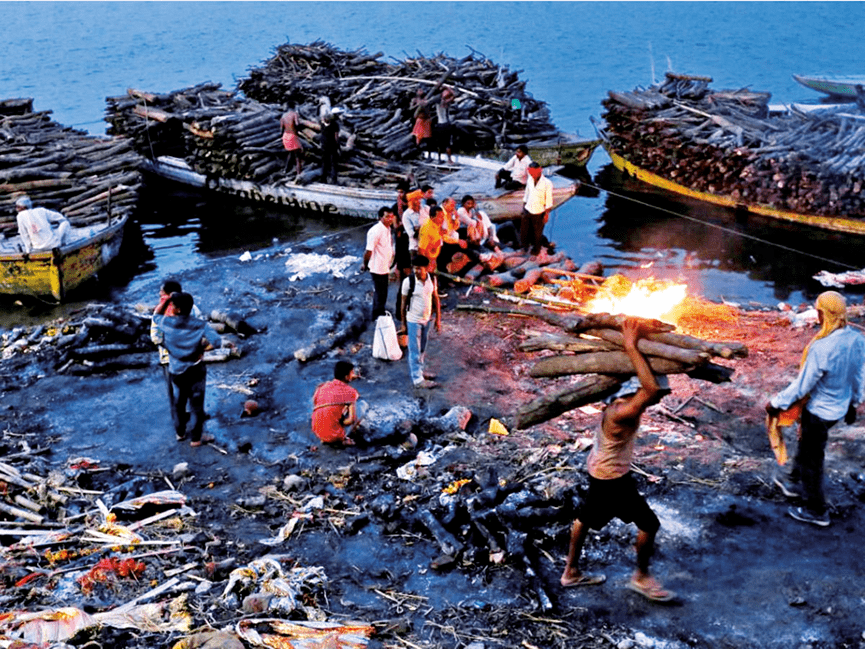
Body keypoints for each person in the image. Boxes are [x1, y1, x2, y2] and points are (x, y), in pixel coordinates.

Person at [560, 317, 675, 603]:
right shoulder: (622, 412)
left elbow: (646, 387)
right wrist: (630, 345)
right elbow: (649, 390)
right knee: (649, 524)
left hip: (599, 470)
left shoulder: (616, 404)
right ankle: (641, 577)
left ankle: (571, 571)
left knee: (585, 517)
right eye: (657, 396)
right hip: (612, 477)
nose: (657, 399)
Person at [767, 291, 865, 527]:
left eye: (818, 311)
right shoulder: (857, 339)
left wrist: (777, 403)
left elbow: (803, 385)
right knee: (807, 444)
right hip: (839, 408)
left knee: (813, 460)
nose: (817, 316)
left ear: (824, 314)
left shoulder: (821, 348)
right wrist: (854, 402)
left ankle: (816, 510)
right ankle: (792, 480)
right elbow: (859, 375)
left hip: (819, 412)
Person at [152, 292, 226, 447]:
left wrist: (167, 301)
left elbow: (156, 314)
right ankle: (196, 439)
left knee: (179, 403)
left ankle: (180, 434)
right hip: (195, 368)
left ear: (176, 309)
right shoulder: (199, 324)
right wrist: (203, 350)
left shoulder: (166, 322)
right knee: (196, 405)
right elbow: (217, 341)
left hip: (176, 370)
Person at [150, 279, 203, 437]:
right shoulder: (192, 308)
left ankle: (180, 431)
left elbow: (155, 337)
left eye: (162, 295)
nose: (160, 297)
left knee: (176, 396)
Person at [400, 254, 441, 389]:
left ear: (427, 268)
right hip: (413, 321)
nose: (416, 271)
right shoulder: (408, 282)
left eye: (419, 269)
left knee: (422, 347)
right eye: (415, 268)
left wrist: (438, 319)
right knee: (414, 350)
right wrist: (403, 323)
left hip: (426, 319)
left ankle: (421, 371)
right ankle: (418, 379)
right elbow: (403, 303)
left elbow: (436, 299)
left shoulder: (432, 280)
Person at [312, 360, 366, 446]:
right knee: (362, 404)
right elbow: (351, 420)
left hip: (318, 432)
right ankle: (343, 438)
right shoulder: (350, 392)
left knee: (335, 408)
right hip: (335, 435)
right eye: (352, 373)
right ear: (346, 376)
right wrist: (341, 422)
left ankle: (326, 436)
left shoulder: (322, 387)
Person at [361, 206, 395, 321]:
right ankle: (377, 315)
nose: (390, 219)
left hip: (385, 266)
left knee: (382, 292)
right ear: (380, 217)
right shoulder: (375, 231)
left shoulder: (387, 228)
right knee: (381, 293)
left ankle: (378, 312)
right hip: (377, 268)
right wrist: (365, 264)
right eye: (387, 217)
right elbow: (368, 250)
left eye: (391, 217)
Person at [520, 162, 553, 256]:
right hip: (528, 209)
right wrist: (524, 206)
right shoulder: (530, 180)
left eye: (534, 173)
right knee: (524, 230)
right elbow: (527, 193)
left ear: (539, 171)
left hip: (539, 211)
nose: (532, 175)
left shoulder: (547, 183)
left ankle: (536, 251)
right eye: (531, 173)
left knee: (537, 233)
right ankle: (525, 247)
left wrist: (547, 214)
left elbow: (549, 200)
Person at [280, 104, 304, 179]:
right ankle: (299, 173)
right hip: (292, 136)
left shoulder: (283, 116)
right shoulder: (294, 114)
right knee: (298, 156)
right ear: (293, 107)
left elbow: (281, 129)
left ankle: (285, 170)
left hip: (285, 136)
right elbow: (297, 124)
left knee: (290, 154)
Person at [435, 87, 456, 163]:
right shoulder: (444, 102)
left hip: (442, 125)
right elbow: (454, 95)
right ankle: (448, 159)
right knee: (446, 143)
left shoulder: (442, 102)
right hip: (445, 124)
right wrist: (449, 88)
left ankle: (441, 159)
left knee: (442, 143)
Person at [320, 108, 341, 184]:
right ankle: (334, 179)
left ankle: (323, 179)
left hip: (324, 145)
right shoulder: (335, 124)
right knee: (333, 163)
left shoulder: (322, 124)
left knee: (324, 162)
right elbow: (336, 137)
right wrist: (338, 146)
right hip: (332, 145)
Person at [402, 189, 425, 254]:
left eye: (420, 198)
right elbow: (412, 234)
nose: (419, 201)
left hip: (430, 246)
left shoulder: (426, 209)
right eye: (417, 199)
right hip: (416, 247)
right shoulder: (406, 215)